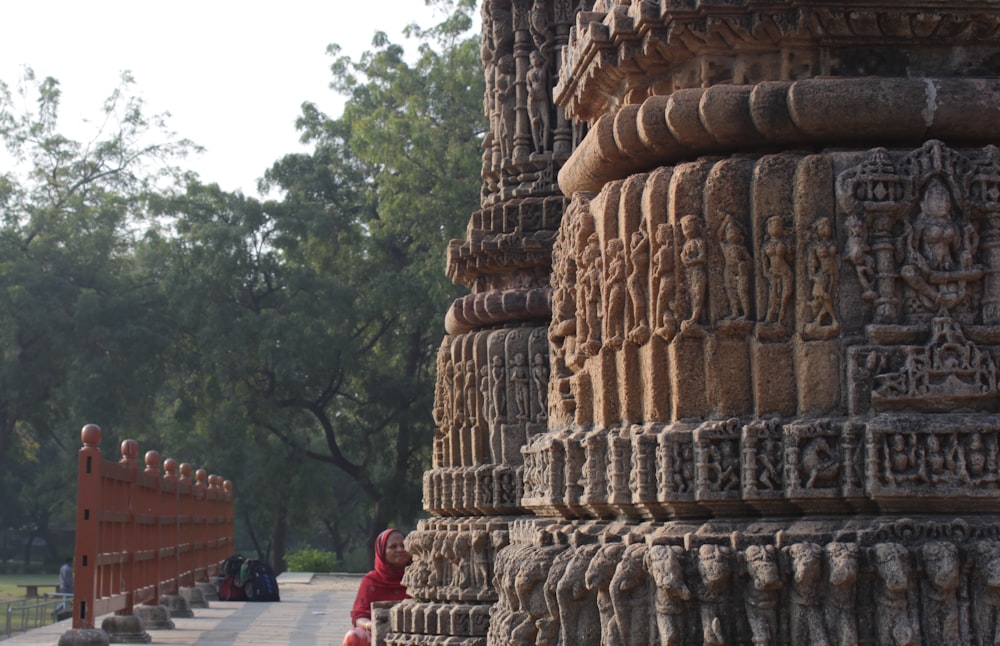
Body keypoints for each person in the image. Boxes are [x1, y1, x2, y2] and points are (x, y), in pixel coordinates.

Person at [343, 528, 411, 645]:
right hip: (379, 633)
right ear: (381, 552)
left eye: (403, 545)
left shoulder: (420, 577)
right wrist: (371, 626)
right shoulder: (371, 581)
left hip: (413, 633)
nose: (400, 550)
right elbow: (359, 617)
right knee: (354, 636)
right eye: (393, 547)